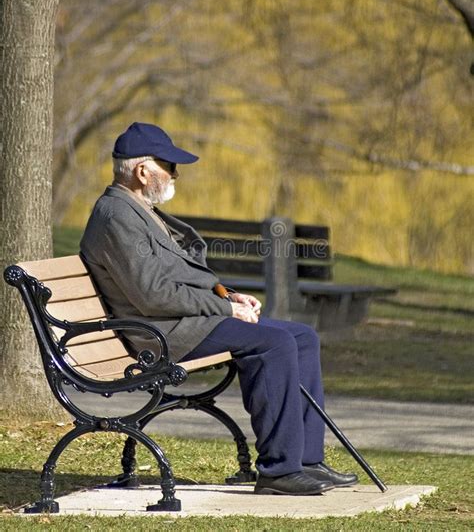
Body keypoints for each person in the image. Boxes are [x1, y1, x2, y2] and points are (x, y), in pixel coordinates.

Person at [80, 122, 358, 496]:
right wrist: (224, 311)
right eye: (169, 165)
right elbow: (152, 295)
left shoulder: (138, 210)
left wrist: (227, 296)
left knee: (301, 336)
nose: (176, 174)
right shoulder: (117, 216)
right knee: (273, 344)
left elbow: (179, 275)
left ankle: (307, 460)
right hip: (161, 332)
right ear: (143, 171)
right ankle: (279, 470)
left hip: (182, 321)